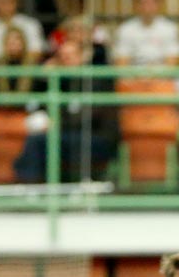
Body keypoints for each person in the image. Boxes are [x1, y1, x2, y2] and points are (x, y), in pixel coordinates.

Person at [12, 38, 116, 183]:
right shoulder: (60, 79)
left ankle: (30, 185)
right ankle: (31, 187)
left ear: (82, 56)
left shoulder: (95, 79)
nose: (66, 60)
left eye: (70, 56)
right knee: (37, 139)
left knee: (39, 141)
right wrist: (44, 79)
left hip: (95, 136)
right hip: (66, 134)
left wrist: (56, 123)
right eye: (62, 57)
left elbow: (89, 116)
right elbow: (37, 105)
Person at [114, 0, 179, 67]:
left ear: (159, 3)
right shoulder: (125, 29)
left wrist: (155, 78)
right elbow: (122, 65)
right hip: (134, 77)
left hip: (163, 77)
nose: (146, 6)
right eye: (142, 1)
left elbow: (173, 63)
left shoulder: (170, 28)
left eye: (151, 1)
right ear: (135, 4)